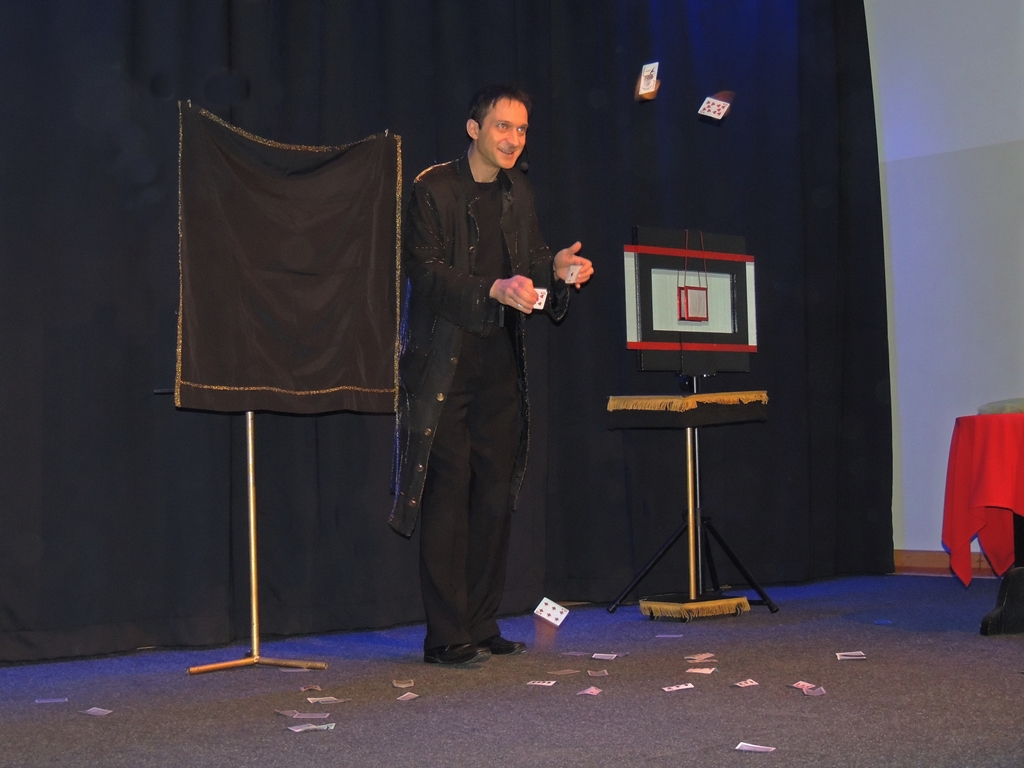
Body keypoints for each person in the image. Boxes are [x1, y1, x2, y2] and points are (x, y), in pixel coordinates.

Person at [390, 84, 593, 665]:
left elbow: (531, 264)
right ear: (474, 128)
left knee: (495, 497)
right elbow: (425, 274)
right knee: (448, 497)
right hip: (444, 366)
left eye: (522, 129)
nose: (513, 139)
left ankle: (480, 623)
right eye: (503, 126)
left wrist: (558, 269)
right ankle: (445, 634)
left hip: (500, 366)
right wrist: (492, 290)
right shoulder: (432, 188)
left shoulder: (517, 192)